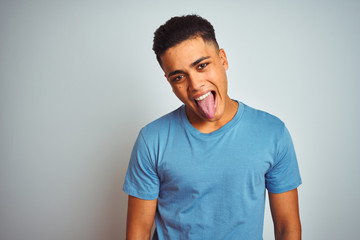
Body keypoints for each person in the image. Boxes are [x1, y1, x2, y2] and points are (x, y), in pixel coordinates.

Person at [123, 14, 302, 240]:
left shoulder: (272, 133)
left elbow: (288, 227)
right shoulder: (152, 140)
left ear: (223, 60)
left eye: (202, 65)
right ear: (169, 82)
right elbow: (138, 232)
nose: (195, 85)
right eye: (179, 77)